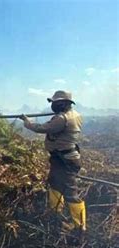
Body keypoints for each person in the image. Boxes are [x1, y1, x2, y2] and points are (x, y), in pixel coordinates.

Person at [20, 90, 85, 231]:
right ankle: (56, 214)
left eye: (55, 103)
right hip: (62, 158)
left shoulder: (62, 119)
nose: (53, 105)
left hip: (65, 160)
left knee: (70, 192)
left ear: (63, 103)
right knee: (55, 184)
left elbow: (41, 128)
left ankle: (79, 227)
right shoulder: (74, 115)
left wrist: (26, 122)